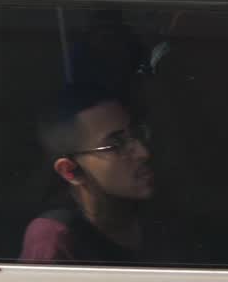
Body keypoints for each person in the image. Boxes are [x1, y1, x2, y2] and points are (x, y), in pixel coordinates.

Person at [20, 88, 155, 264]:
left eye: (136, 134)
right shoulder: (55, 236)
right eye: (116, 145)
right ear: (69, 171)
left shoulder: (159, 216)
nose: (143, 153)